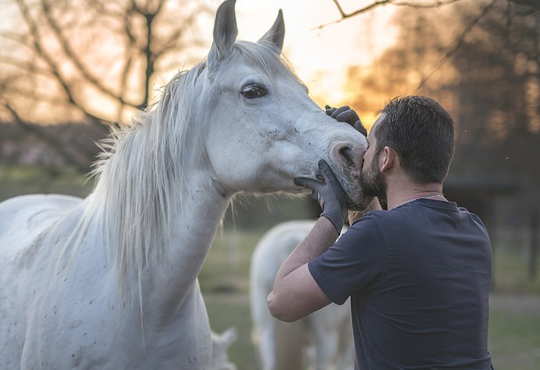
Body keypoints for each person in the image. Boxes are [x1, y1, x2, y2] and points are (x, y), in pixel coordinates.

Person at [267, 96, 494, 369]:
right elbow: (387, 240)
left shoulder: (378, 235)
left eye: (370, 147)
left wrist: (331, 216)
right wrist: (362, 165)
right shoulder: (474, 230)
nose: (364, 155)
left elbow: (281, 302)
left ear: (386, 158)